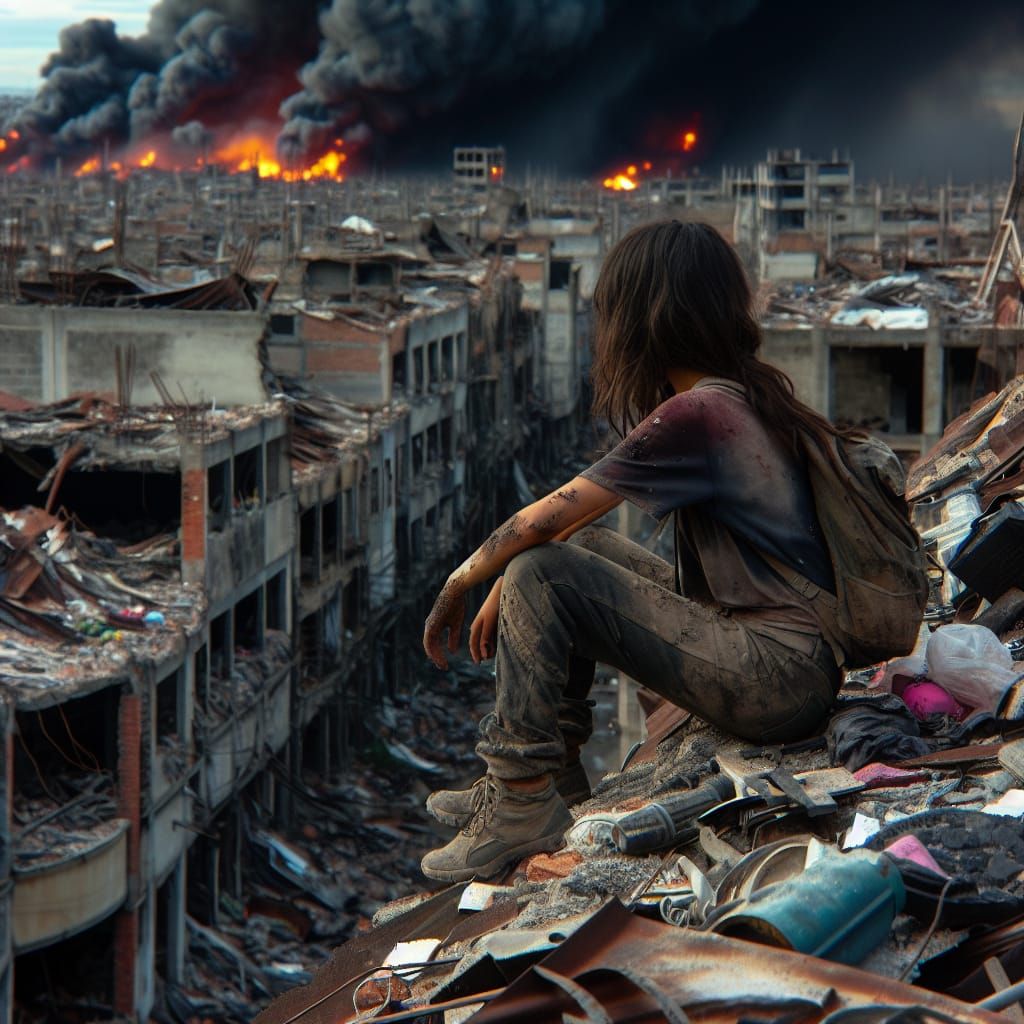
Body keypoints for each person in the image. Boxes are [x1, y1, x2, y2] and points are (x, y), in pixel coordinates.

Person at [418, 220, 848, 883]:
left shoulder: (698, 414)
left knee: (542, 571)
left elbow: (544, 518)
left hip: (773, 677)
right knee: (573, 552)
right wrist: (510, 576)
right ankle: (547, 781)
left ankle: (520, 796)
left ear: (648, 317)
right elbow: (573, 524)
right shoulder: (733, 398)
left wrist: (467, 576)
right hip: (788, 667)